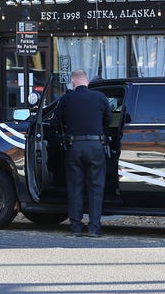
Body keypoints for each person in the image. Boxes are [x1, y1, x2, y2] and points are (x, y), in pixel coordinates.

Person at [52, 69, 112, 237]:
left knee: (75, 187)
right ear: (87, 82)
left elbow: (55, 123)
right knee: (95, 188)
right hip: (95, 146)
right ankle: (94, 228)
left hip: (74, 147)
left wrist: (64, 134)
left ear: (73, 82)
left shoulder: (67, 99)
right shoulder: (100, 98)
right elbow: (108, 121)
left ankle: (76, 227)